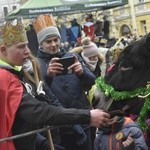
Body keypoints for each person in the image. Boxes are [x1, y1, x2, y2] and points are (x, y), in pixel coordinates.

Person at [0, 19, 113, 150]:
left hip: (70, 124)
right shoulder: (5, 77)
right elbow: (37, 111)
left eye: (27, 45)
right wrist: (86, 116)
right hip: (56, 129)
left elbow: (23, 121)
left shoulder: (15, 71)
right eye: (21, 46)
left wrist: (44, 145)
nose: (27, 51)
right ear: (3, 50)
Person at [34, 14, 102, 150]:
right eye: (48, 42)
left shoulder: (73, 56)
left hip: (83, 120)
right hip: (59, 127)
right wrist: (48, 76)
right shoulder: (36, 64)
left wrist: (81, 72)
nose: (53, 45)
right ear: (41, 44)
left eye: (56, 40)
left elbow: (91, 82)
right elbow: (38, 95)